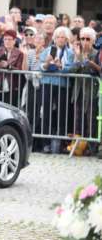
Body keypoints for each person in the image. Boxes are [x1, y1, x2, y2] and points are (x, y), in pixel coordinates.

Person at [39, 26, 74, 154]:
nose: (60, 39)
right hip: (48, 83)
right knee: (47, 113)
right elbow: (40, 67)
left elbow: (71, 68)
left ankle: (61, 144)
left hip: (63, 85)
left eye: (63, 37)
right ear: (54, 38)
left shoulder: (70, 53)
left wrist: (61, 66)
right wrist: (47, 64)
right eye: (58, 37)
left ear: (66, 39)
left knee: (62, 114)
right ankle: (46, 144)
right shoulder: (47, 50)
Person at [0, 29, 24, 107]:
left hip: (11, 85)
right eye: (5, 39)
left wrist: (8, 66)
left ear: (14, 41)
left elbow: (20, 70)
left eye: (9, 39)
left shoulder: (19, 53)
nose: (7, 41)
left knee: (8, 108)